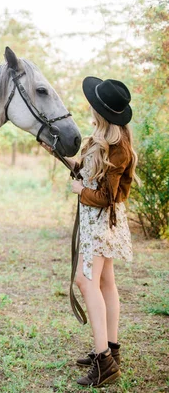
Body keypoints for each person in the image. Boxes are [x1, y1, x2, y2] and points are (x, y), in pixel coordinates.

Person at [43, 77, 138, 388]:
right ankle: (110, 349)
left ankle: (103, 362)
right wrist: (57, 154)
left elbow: (105, 197)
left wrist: (81, 190)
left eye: (94, 106)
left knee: (85, 282)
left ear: (103, 112)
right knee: (106, 282)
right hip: (99, 221)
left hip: (101, 222)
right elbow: (86, 173)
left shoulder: (117, 148)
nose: (90, 109)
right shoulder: (99, 141)